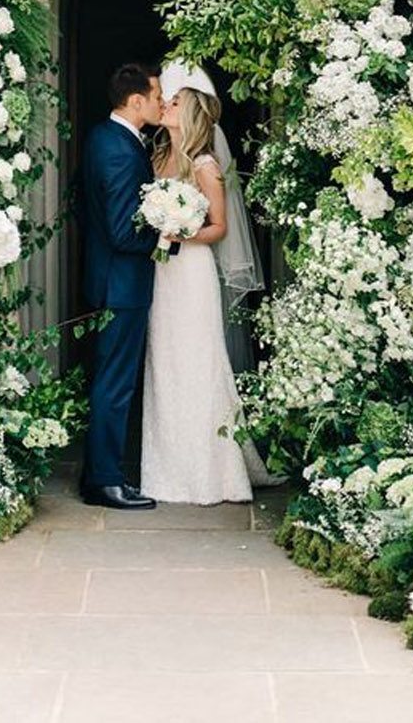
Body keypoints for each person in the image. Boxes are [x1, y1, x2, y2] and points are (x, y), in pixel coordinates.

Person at [140, 61, 275, 505]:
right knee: (166, 365)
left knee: (199, 364)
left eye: (174, 102)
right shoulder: (159, 156)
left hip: (193, 272)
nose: (165, 105)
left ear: (191, 111)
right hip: (165, 274)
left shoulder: (205, 164)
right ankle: (166, 472)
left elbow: (218, 227)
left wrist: (181, 231)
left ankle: (211, 473)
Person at [77, 62, 172, 511]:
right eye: (156, 97)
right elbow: (121, 230)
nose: (161, 104)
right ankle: (106, 481)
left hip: (110, 280)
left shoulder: (103, 137)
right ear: (136, 101)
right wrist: (166, 236)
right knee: (115, 384)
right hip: (121, 284)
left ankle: (97, 473)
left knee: (110, 380)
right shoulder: (118, 148)